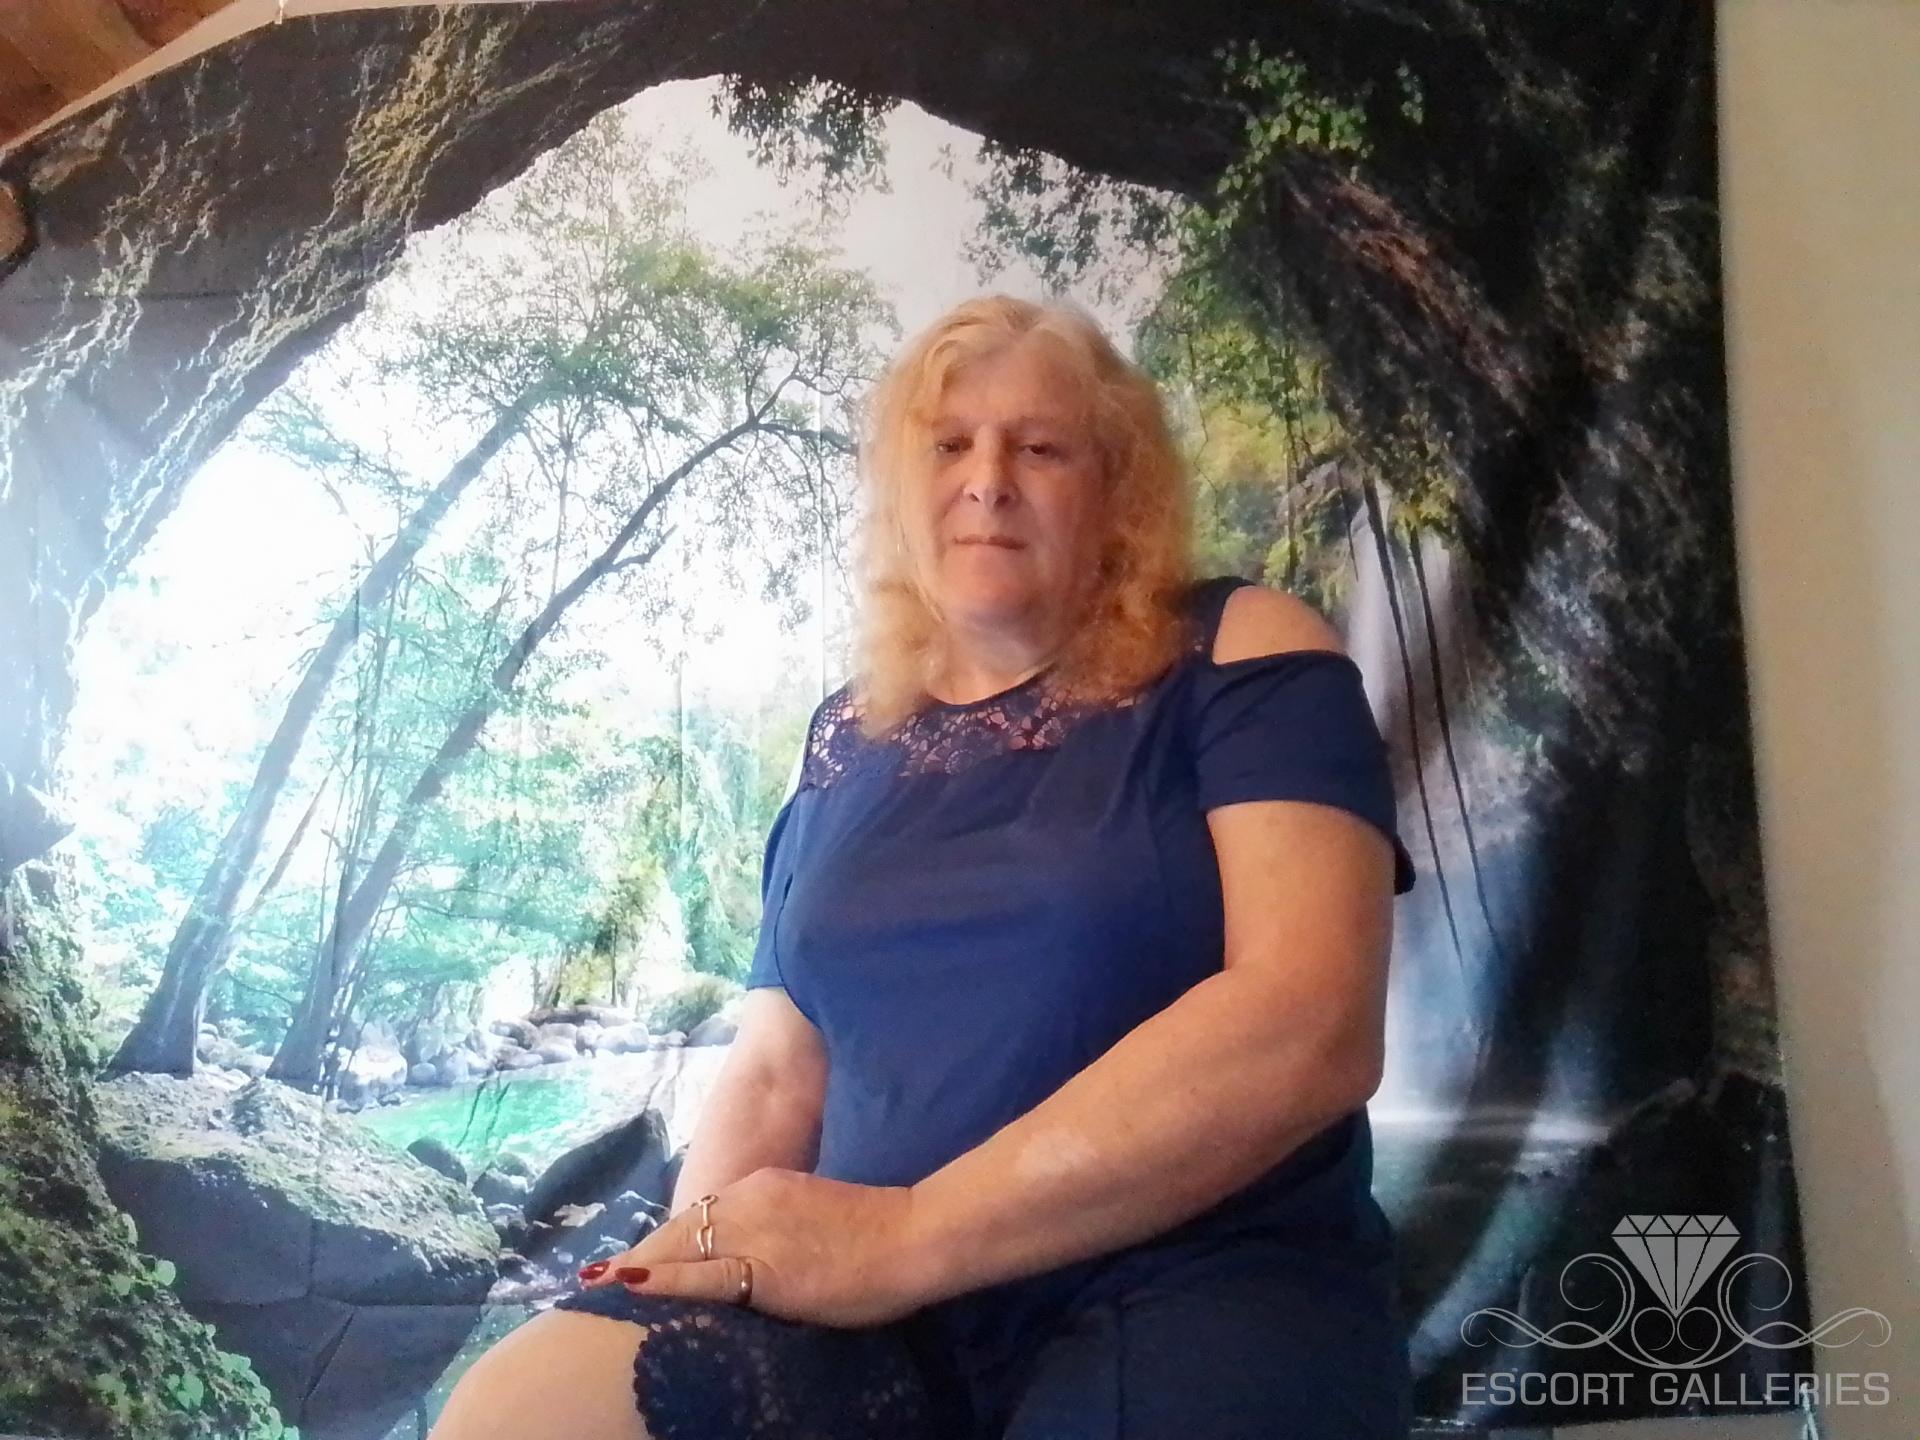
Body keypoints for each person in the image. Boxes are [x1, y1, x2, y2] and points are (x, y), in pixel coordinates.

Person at [427, 293, 1419, 1440]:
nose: (988, 480)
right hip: (865, 1311)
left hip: (1192, 1281)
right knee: (517, 1409)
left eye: (1040, 448)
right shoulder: (843, 736)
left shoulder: (1242, 648)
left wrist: (905, 1236)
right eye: (950, 445)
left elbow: (1309, 1025)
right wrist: (697, 1264)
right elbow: (777, 1073)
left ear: (1117, 491)